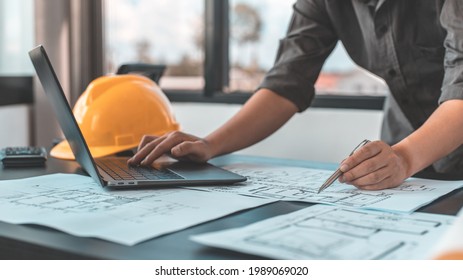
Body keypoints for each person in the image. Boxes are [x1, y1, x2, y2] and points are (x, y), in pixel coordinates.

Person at [128, 0, 463, 190]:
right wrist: (211, 144)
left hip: (413, 153)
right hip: (402, 150)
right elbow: (286, 81)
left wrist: (404, 158)